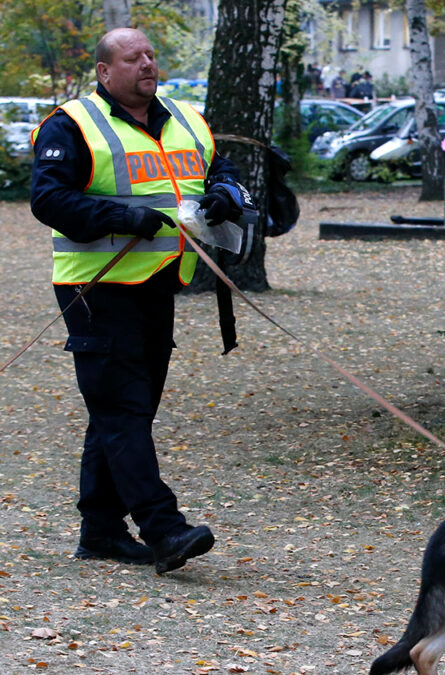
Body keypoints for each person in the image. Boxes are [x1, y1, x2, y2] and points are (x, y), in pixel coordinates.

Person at [29, 28, 246, 575]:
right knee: (123, 411)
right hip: (95, 288)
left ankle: (100, 533)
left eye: (151, 55)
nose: (147, 65)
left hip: (159, 283)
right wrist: (122, 217)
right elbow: (49, 199)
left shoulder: (187, 118)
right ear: (105, 72)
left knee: (125, 411)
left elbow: (223, 173)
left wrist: (224, 196)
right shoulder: (71, 124)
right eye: (133, 58)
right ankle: (163, 529)